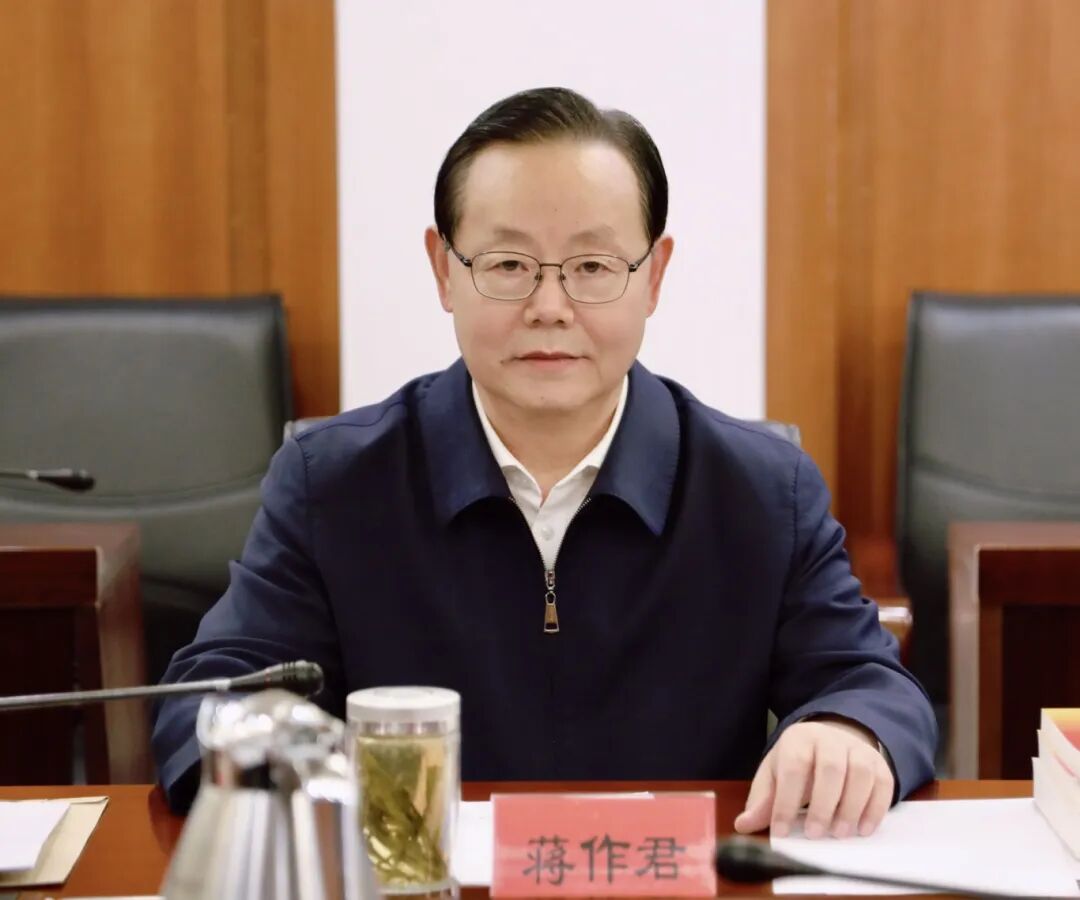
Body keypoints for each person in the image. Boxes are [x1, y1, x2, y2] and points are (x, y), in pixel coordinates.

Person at [152, 87, 936, 839]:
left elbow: (872, 687)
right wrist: (284, 760)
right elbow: (209, 699)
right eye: (507, 265)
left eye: (593, 267)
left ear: (654, 276)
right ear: (444, 271)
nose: (550, 307)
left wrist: (847, 730)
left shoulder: (760, 491)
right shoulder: (335, 483)